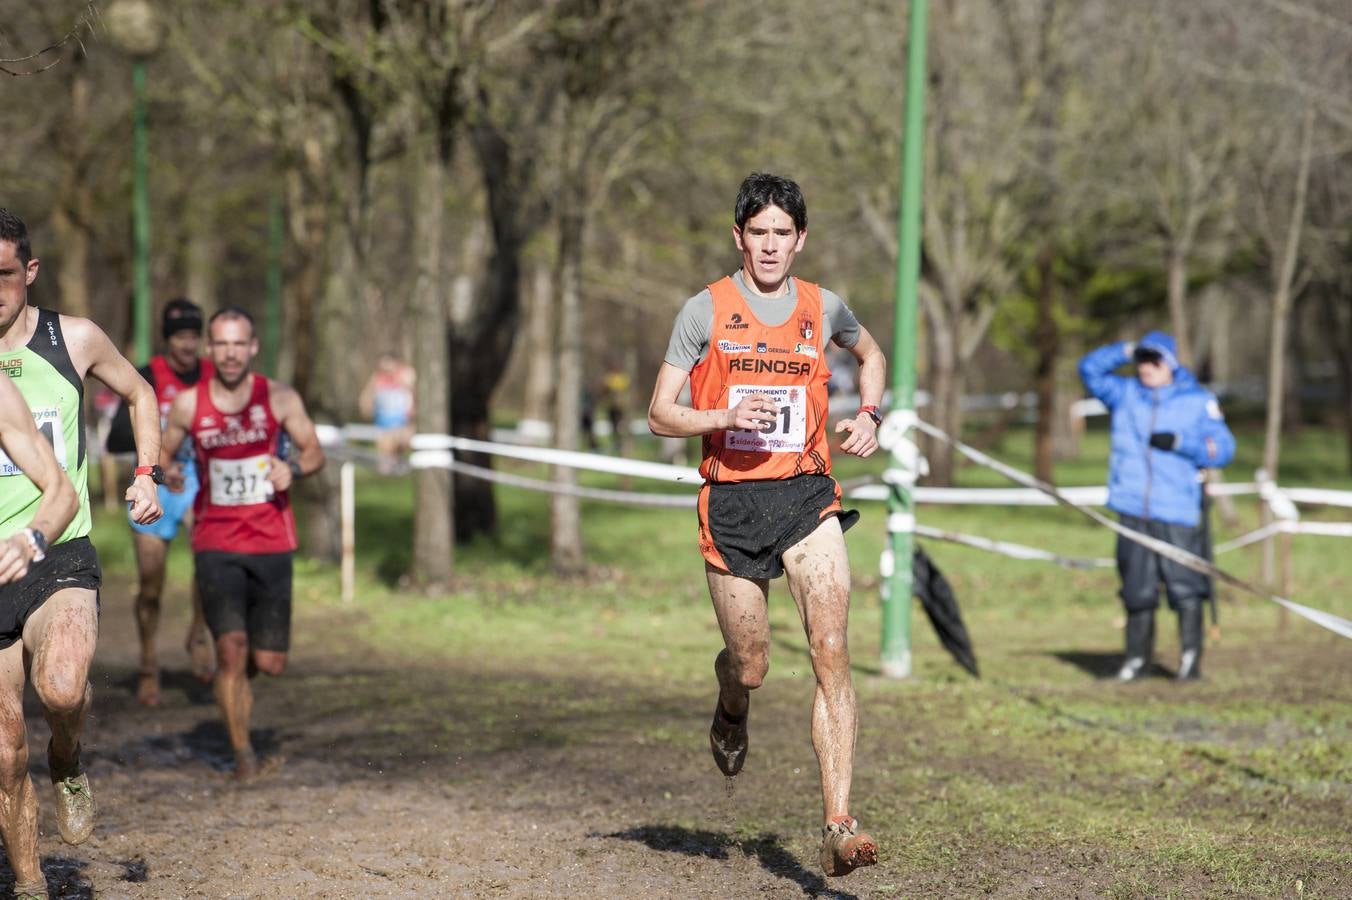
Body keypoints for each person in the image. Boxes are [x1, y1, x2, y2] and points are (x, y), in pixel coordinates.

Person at [647, 173, 886, 878]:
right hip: (732, 505)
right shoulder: (706, 310)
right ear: (739, 238)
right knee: (752, 665)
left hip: (807, 497)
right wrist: (720, 415)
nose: (771, 246)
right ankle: (729, 702)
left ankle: (840, 825)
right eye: (759, 233)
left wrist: (871, 416)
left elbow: (870, 355)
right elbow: (661, 412)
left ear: (801, 239)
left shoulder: (824, 307)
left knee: (832, 649)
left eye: (783, 233)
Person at [0, 208, 163, 899]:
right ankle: (32, 883)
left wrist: (147, 472)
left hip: (56, 548)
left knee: (62, 688)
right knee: (5, 751)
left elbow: (140, 392)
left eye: (3, 276)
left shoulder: (76, 339)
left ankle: (68, 756)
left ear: (29, 273)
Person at [161, 307, 324, 779]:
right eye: (221, 344)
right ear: (210, 350)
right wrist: (164, 472)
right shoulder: (190, 404)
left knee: (268, 661)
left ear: (253, 347)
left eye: (239, 344)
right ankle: (243, 754)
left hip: (272, 539)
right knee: (230, 649)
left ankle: (243, 688)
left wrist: (291, 468)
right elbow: (162, 453)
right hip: (216, 540)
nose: (230, 353)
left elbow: (314, 451)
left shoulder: (278, 397)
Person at [1079, 331, 1236, 682]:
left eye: (1154, 360)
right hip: (1132, 507)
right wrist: (1125, 349)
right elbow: (1088, 369)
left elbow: (1224, 448)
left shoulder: (1197, 400)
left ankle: (1189, 663)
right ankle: (1136, 662)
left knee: (1185, 588)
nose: (1146, 367)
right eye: (1142, 360)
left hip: (1177, 508)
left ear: (1171, 363)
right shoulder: (1125, 395)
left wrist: (1183, 443)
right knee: (1136, 589)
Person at [107, 298, 216, 704]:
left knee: (210, 565)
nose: (188, 345)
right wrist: (155, 462)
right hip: (156, 485)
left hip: (200, 484)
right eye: (180, 337)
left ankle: (199, 635)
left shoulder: (213, 374)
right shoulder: (148, 375)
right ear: (168, 340)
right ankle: (149, 663)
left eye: (193, 336)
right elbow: (117, 437)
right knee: (151, 584)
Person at [358, 355, 414, 473]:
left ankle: (397, 466)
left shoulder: (405, 379)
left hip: (402, 428)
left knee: (396, 437)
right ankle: (388, 470)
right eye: (384, 370)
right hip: (383, 428)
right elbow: (365, 408)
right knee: (385, 443)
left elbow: (414, 408)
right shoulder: (376, 383)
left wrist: (405, 382)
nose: (388, 374)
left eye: (391, 370)